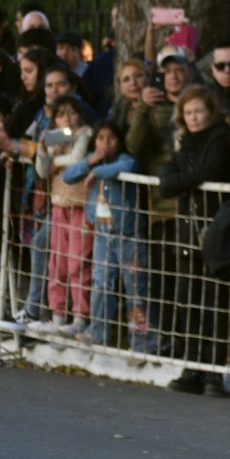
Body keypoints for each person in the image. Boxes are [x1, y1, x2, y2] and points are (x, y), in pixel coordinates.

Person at [157, 85, 230, 396]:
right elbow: (167, 178)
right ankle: (191, 365)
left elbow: (210, 171)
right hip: (187, 231)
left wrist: (179, 180)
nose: (193, 118)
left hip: (215, 229)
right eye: (188, 112)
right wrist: (177, 180)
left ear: (211, 112)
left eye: (199, 111)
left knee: (215, 302)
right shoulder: (184, 143)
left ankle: (213, 373)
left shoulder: (220, 138)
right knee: (187, 299)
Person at [64, 120, 140, 348]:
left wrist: (97, 171)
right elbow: (68, 176)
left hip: (127, 233)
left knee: (135, 285)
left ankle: (141, 340)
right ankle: (98, 332)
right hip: (102, 233)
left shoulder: (123, 160)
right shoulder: (92, 160)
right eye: (100, 138)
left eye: (111, 138)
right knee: (101, 282)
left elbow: (128, 166)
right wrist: (90, 162)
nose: (105, 143)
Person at [38, 96, 95, 337]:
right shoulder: (55, 137)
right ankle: (58, 314)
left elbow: (76, 159)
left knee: (78, 262)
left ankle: (80, 316)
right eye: (61, 114)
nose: (67, 119)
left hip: (81, 207)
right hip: (59, 205)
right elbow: (42, 170)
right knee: (57, 262)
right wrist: (42, 150)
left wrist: (54, 161)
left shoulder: (85, 132)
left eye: (71, 113)